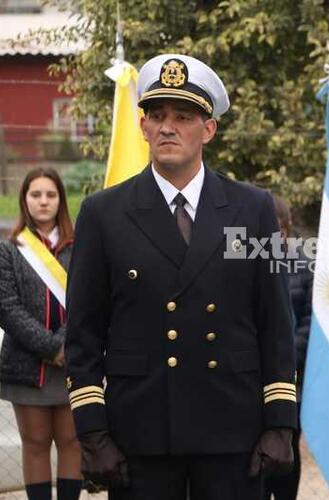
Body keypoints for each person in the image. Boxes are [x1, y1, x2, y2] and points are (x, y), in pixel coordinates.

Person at [64, 54, 297, 500]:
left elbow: (275, 324)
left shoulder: (252, 209)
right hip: (141, 433)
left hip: (232, 431)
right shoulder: (104, 214)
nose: (168, 127)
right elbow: (84, 336)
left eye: (183, 117)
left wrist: (280, 421)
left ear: (208, 129)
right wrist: (93, 433)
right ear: (143, 127)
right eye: (157, 116)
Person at [0, 167, 81, 500]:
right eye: (36, 195)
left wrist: (65, 344)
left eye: (50, 195)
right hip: (28, 363)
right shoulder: (9, 250)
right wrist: (51, 347)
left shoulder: (80, 248)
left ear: (60, 200)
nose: (43, 201)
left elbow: (87, 300)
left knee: (72, 443)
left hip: (72, 363)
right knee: (35, 445)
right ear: (25, 200)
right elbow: (7, 307)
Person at [263, 194, 312, 500]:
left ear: (287, 229)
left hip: (293, 371)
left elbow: (311, 316)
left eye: (278, 229)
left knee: (286, 443)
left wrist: (287, 351)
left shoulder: (303, 264)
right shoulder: (236, 261)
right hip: (249, 373)